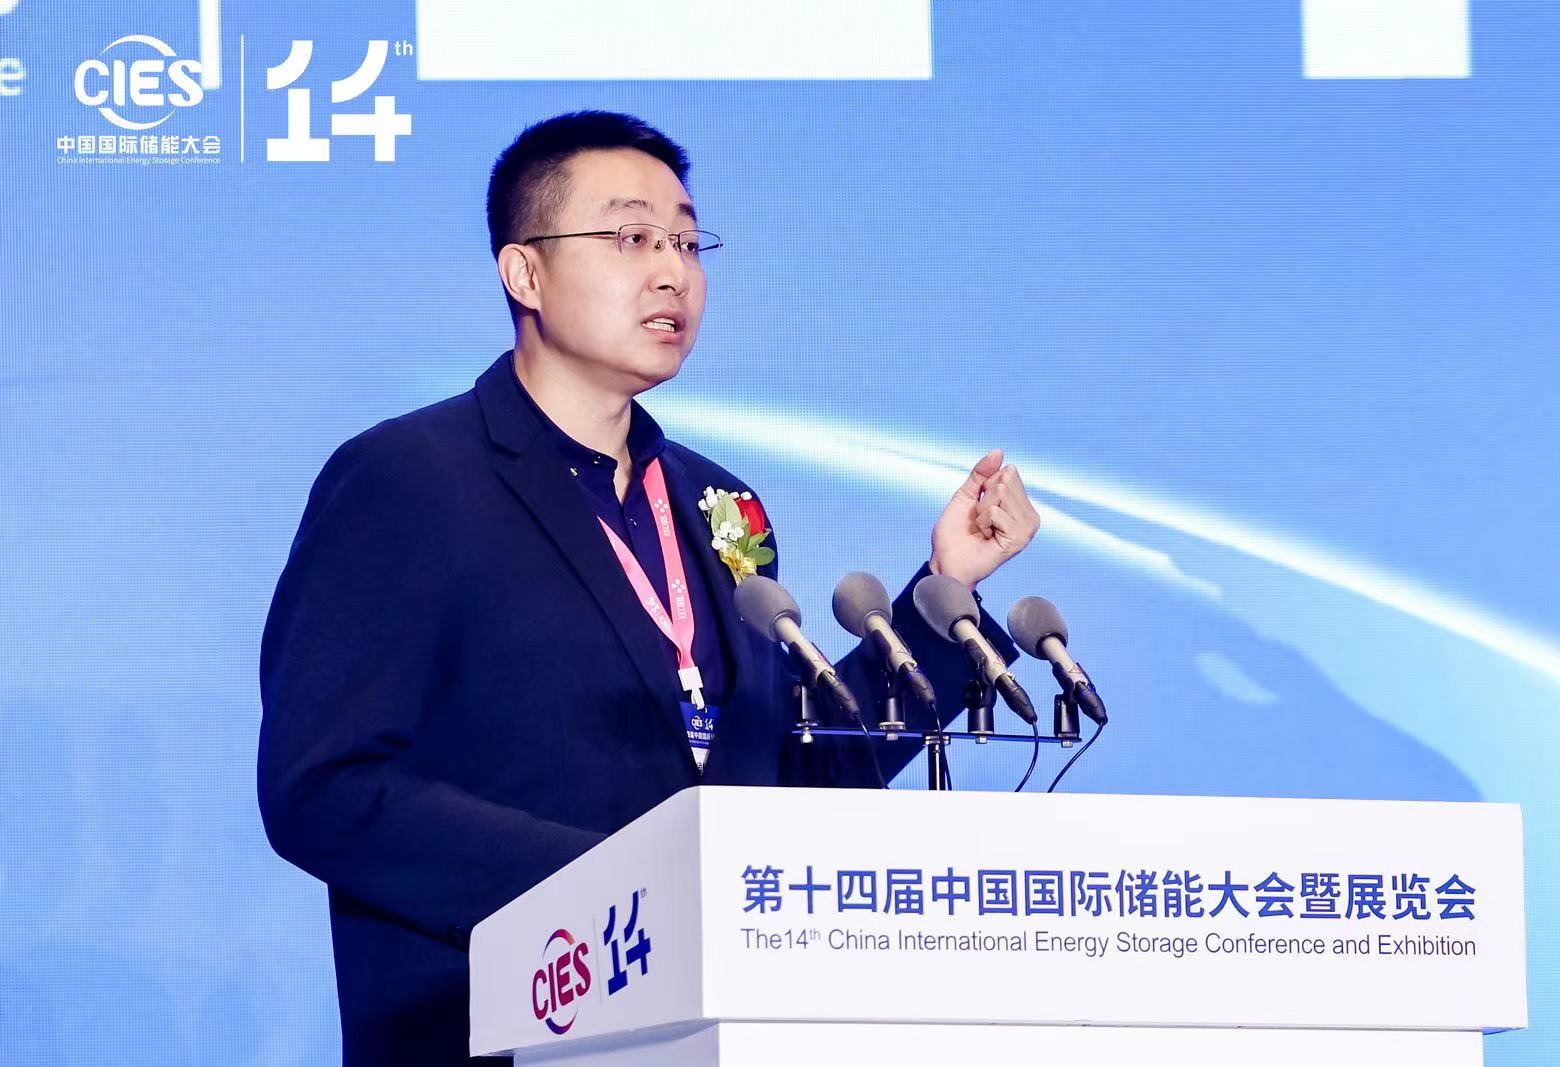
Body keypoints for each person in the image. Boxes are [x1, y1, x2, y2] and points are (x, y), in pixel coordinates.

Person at [258, 110, 1041, 1065]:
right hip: (496, 1030)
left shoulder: (723, 506)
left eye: (687, 242)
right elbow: (325, 788)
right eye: (632, 238)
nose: (673, 272)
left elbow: (785, 783)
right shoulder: (407, 478)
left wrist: (944, 591)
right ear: (525, 273)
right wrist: (618, 888)